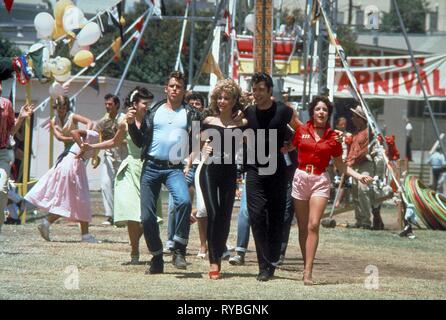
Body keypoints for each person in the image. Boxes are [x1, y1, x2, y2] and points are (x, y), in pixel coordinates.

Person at [290, 96, 373, 285]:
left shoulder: (333, 137)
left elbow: (340, 165)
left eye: (325, 110)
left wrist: (359, 176)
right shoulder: (301, 130)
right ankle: (306, 264)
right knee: (303, 227)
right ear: (312, 112)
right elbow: (289, 147)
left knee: (313, 225)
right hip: (301, 178)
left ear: (329, 114)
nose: (321, 112)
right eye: (318, 109)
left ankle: (308, 272)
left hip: (320, 180)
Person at [127, 71, 202, 274]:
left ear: (184, 90)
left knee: (184, 201)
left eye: (179, 86)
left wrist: (189, 162)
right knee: (147, 217)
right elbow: (140, 141)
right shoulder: (154, 111)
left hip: (174, 168)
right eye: (172, 86)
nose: (175, 89)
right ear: (166, 88)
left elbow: (196, 143)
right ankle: (157, 256)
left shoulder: (192, 113)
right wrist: (130, 124)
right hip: (150, 167)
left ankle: (179, 248)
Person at [82, 87, 154, 264]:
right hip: (129, 168)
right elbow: (114, 141)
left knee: (146, 218)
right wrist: (93, 148)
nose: (148, 107)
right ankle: (134, 252)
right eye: (145, 103)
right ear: (135, 105)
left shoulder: (152, 120)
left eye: (149, 104)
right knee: (131, 212)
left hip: (148, 168)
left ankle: (142, 245)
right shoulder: (123, 122)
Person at [243, 72, 301, 281]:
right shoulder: (248, 112)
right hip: (254, 170)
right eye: (254, 89)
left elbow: (301, 131)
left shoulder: (284, 111)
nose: (257, 93)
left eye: (261, 89)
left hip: (277, 169)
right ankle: (263, 264)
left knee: (276, 217)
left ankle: (272, 261)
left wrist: (292, 145)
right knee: (257, 215)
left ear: (269, 91)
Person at [197, 79, 247, 279]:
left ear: (234, 100)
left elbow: (256, 110)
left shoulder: (242, 123)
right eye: (219, 97)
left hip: (229, 172)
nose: (222, 101)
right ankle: (213, 261)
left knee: (225, 217)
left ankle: (219, 253)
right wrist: (202, 148)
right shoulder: (208, 120)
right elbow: (193, 141)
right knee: (214, 213)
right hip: (208, 170)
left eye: (226, 98)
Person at [25, 128, 100, 242]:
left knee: (72, 200)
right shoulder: (94, 134)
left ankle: (46, 223)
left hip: (71, 164)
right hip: (73, 165)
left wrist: (95, 156)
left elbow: (88, 150)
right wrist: (81, 145)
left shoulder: (97, 142)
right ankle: (85, 235)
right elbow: (74, 132)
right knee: (81, 200)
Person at [165, 91, 208, 258]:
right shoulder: (181, 122)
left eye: (198, 104)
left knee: (207, 207)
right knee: (175, 204)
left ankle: (209, 243)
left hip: (203, 166)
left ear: (203, 107)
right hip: (184, 166)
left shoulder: (207, 122)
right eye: (192, 103)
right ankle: (172, 241)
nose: (195, 106)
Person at [0, 81, 34, 234]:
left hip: (2, 153)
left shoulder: (6, 104)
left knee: (2, 190)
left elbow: (11, 131)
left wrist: (21, 117)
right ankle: (19, 201)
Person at [346, 105, 384, 230]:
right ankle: (360, 220)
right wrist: (348, 161)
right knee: (355, 192)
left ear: (361, 118)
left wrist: (352, 160)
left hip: (366, 164)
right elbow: (352, 150)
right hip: (354, 165)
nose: (352, 119)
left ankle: (366, 221)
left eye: (355, 117)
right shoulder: (356, 133)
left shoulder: (369, 132)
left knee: (363, 190)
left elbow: (365, 150)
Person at [95, 94, 128, 226]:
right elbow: (98, 138)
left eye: (110, 104)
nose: (107, 107)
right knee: (105, 185)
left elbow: (130, 139)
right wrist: (95, 155)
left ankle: (123, 216)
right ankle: (110, 216)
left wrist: (118, 140)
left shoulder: (124, 119)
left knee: (123, 188)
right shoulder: (103, 121)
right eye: (106, 104)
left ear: (117, 105)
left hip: (124, 157)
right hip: (109, 157)